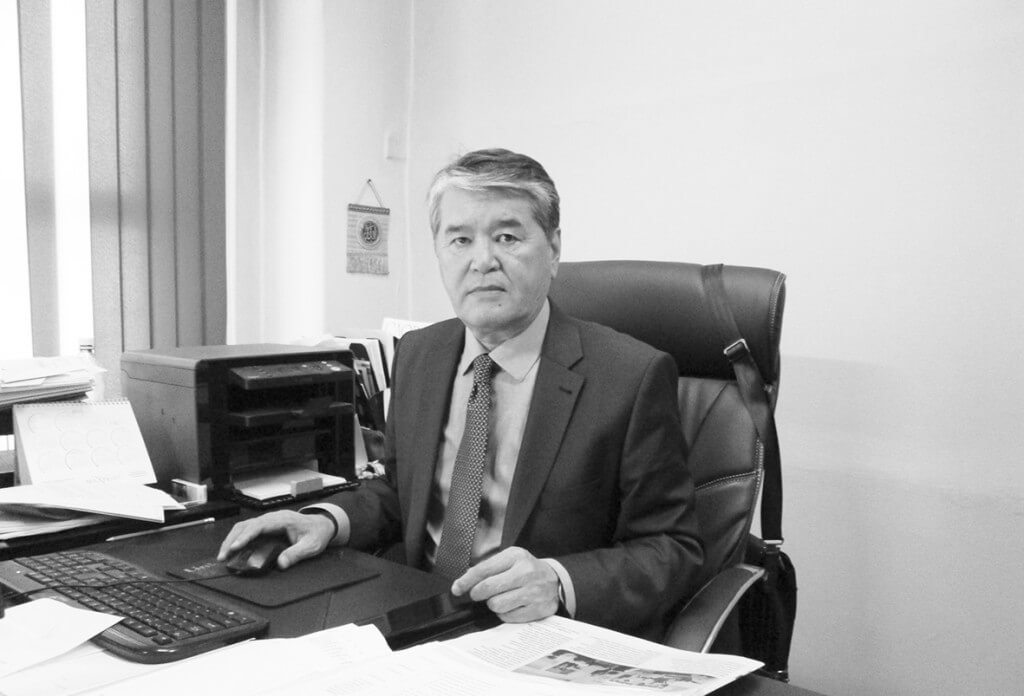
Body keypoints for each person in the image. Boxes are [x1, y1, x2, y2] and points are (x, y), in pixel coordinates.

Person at [218, 148, 703, 639]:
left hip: (536, 635)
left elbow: (673, 547)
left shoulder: (630, 376)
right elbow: (401, 493)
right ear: (439, 251)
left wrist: (558, 581)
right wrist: (328, 520)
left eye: (507, 237)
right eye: (460, 239)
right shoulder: (419, 353)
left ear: (554, 249)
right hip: (419, 617)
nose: (482, 261)